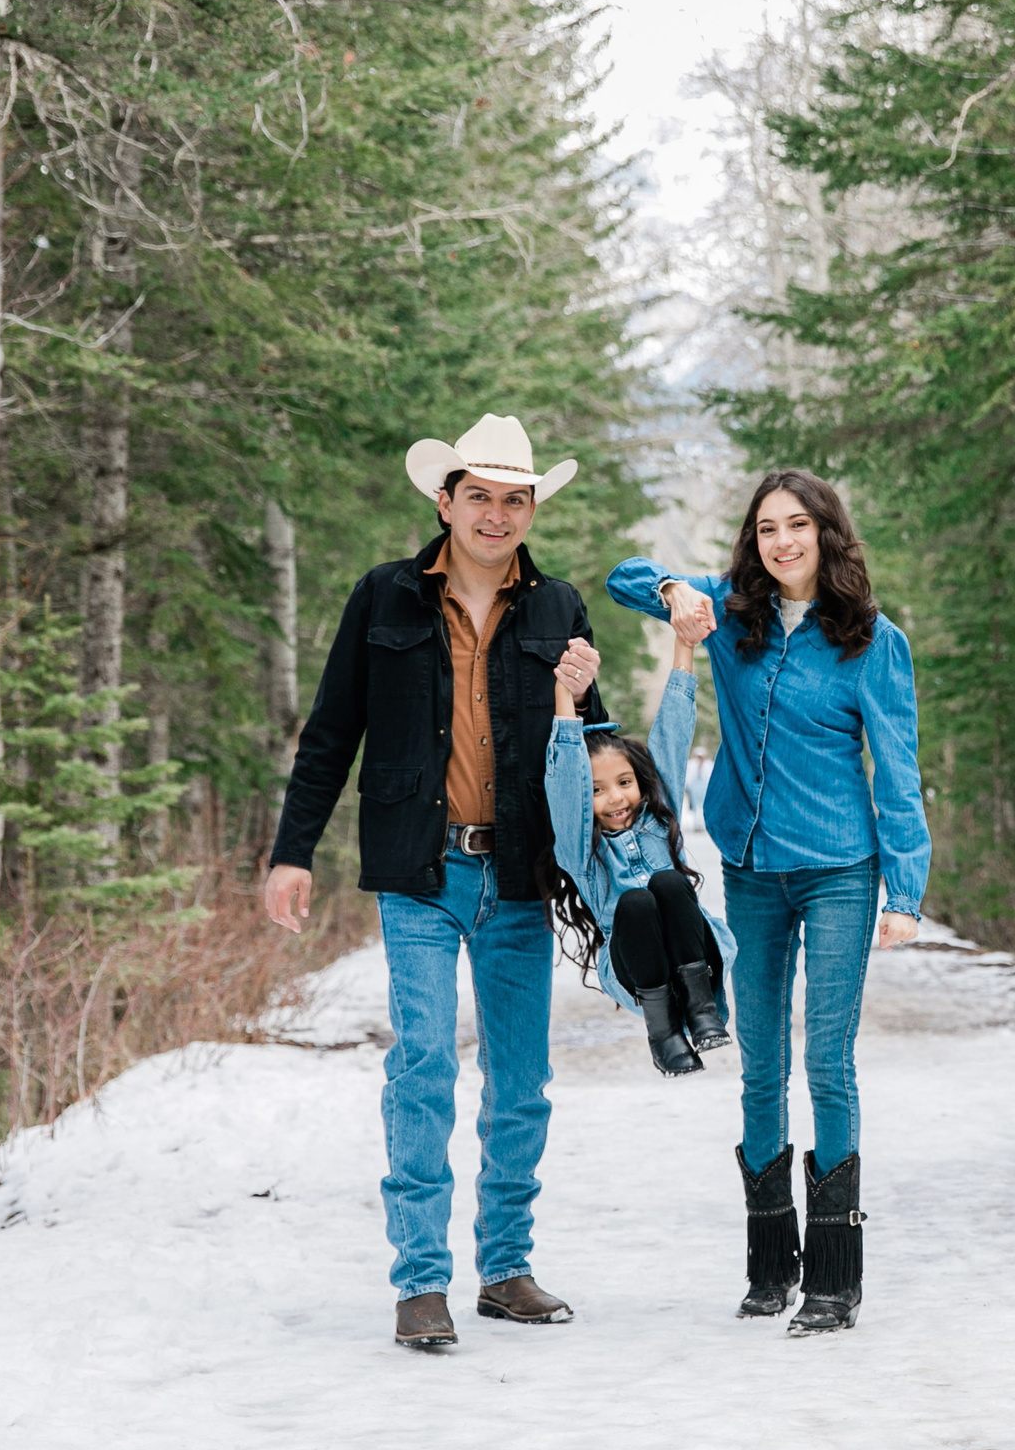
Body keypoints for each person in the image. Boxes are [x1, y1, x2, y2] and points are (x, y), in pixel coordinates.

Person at [264, 413, 609, 1352]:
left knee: (522, 1080)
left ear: (533, 507)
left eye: (515, 499)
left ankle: (505, 1268)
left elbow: (595, 762)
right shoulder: (384, 597)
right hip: (419, 870)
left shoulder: (559, 608)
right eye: (480, 496)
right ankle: (421, 1280)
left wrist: (582, 699)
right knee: (421, 1066)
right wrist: (293, 851)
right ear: (444, 500)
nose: (497, 515)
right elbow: (332, 731)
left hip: (520, 874)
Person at [609, 469, 928, 1336]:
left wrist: (906, 889)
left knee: (826, 1059)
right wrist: (675, 589)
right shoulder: (729, 615)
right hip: (749, 867)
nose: (782, 541)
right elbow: (623, 576)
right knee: (759, 1064)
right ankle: (766, 1265)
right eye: (766, 528)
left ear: (827, 533)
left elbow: (897, 771)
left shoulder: (871, 639)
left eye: (798, 525)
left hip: (838, 870)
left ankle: (833, 1275)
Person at [540, 631, 739, 1077]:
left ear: (641, 783)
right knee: (635, 901)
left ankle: (702, 1006)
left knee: (668, 882)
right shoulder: (582, 852)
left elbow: (672, 730)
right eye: (597, 790)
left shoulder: (658, 818)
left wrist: (685, 645)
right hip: (637, 968)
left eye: (624, 783)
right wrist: (563, 698)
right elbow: (565, 783)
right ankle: (663, 1031)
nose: (615, 798)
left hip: (695, 951)